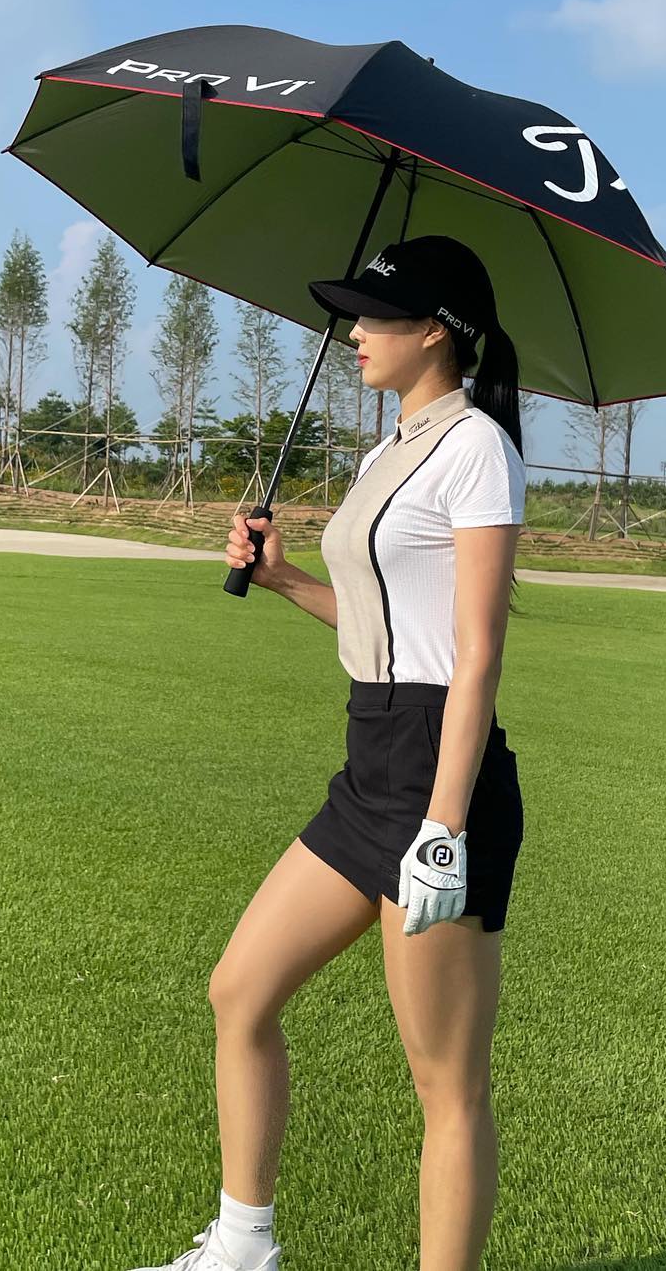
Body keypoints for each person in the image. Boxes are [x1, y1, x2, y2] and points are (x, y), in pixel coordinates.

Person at [130, 234, 528, 1271]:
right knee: (240, 990)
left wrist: (444, 826)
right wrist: (284, 578)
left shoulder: (477, 447)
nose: (354, 331)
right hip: (370, 764)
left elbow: (476, 654)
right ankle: (243, 1249)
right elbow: (382, 623)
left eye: (375, 315)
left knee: (447, 1085)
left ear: (434, 331)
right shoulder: (389, 448)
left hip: (441, 775)